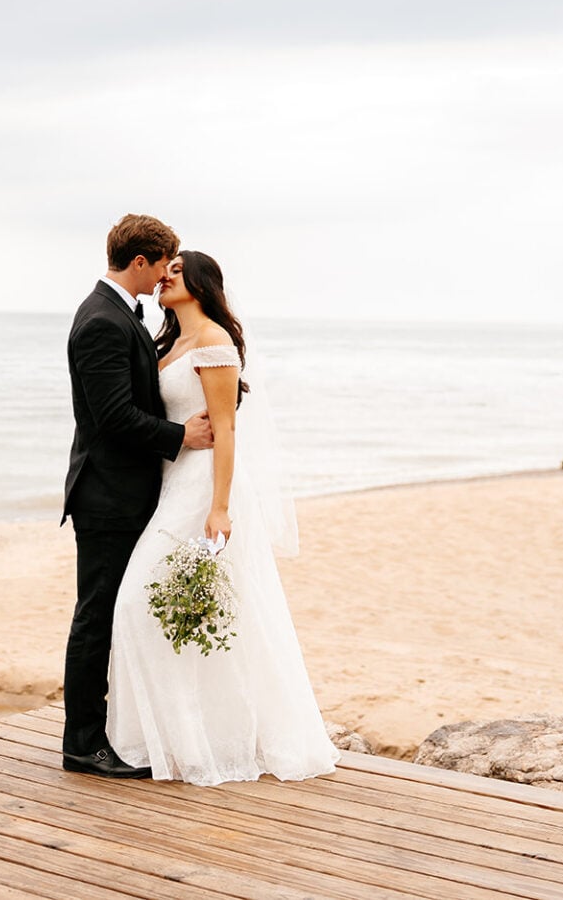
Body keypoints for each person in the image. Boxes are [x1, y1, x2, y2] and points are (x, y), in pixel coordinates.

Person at [106, 250, 338, 785]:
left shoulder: (214, 341)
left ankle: (207, 743)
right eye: (165, 269)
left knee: (144, 603)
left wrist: (219, 507)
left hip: (203, 489)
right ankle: (185, 738)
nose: (165, 276)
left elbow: (227, 430)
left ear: (203, 284)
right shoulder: (169, 343)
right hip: (171, 485)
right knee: (170, 614)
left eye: (178, 271)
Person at [61, 214, 214, 778]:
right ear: (141, 261)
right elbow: (112, 417)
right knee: (96, 619)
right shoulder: (101, 319)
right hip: (107, 497)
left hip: (128, 494)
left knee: (115, 615)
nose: (162, 280)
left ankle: (112, 732)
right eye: (161, 267)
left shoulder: (119, 314)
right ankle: (82, 744)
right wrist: (182, 436)